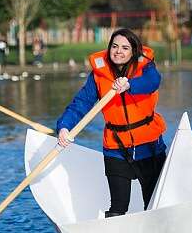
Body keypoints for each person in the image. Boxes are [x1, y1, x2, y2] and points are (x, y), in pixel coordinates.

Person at [56, 28, 167, 218]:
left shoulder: (146, 69)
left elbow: (153, 82)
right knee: (117, 208)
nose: (118, 51)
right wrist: (64, 127)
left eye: (125, 48)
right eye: (115, 46)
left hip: (149, 147)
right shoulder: (99, 76)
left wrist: (130, 85)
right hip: (115, 148)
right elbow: (80, 104)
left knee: (154, 204)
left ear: (134, 51)